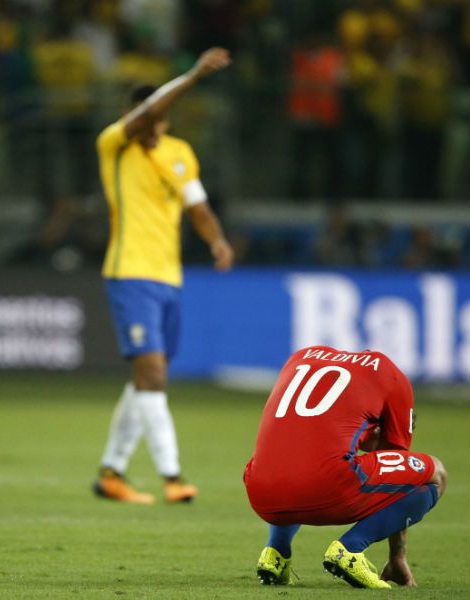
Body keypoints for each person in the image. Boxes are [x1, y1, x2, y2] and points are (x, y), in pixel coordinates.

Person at [92, 48, 234, 505]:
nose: (153, 126)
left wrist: (216, 240)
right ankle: (172, 476)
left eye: (159, 119)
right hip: (129, 271)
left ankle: (111, 472)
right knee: (152, 373)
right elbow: (146, 112)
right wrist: (192, 75)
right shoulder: (114, 144)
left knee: (146, 379)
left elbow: (198, 206)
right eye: (147, 117)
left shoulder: (179, 154)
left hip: (168, 278)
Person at [245, 346, 447, 589]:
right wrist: (397, 556)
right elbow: (398, 471)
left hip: (259, 490)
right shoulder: (391, 375)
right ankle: (351, 548)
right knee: (435, 473)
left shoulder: (302, 355)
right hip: (326, 488)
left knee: (296, 457)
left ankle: (275, 553)